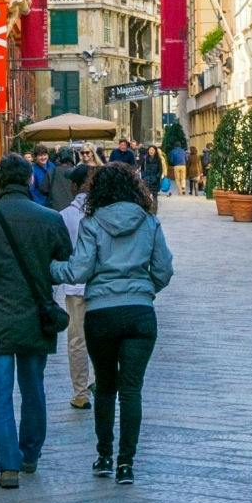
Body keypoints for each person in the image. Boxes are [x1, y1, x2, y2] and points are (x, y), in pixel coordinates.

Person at [0, 153, 72, 487]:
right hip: (35, 315)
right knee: (33, 388)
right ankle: (30, 454)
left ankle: (8, 465)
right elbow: (65, 259)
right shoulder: (49, 219)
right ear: (30, 180)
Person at [52, 162, 174, 485]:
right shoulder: (149, 222)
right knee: (132, 390)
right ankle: (126, 464)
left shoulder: (92, 223)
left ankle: (104, 455)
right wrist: (145, 289)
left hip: (102, 315)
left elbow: (78, 271)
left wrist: (51, 270)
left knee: (106, 387)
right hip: (139, 314)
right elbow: (164, 270)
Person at [57, 162, 93, 411]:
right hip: (101, 286)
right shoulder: (102, 212)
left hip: (74, 286)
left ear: (73, 186)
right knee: (101, 339)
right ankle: (100, 381)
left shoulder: (63, 217)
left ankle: (81, 393)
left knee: (77, 341)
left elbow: (58, 254)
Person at [48, 146, 79, 212]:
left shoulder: (53, 171)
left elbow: (43, 189)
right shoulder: (77, 171)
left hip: (56, 208)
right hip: (74, 207)